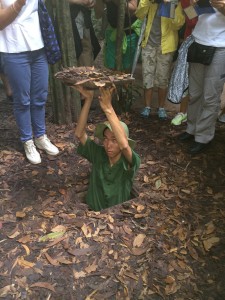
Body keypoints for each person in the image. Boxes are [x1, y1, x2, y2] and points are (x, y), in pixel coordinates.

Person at [0, 0, 59, 164]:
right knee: (22, 100)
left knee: (40, 96)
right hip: (13, 49)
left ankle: (40, 136)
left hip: (38, 46)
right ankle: (27, 141)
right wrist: (18, 3)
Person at [74, 85, 141, 211]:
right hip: (90, 216)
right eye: (105, 139)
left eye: (114, 140)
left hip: (117, 219)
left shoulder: (130, 162)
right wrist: (88, 99)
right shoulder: (98, 154)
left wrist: (108, 108)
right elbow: (79, 134)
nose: (108, 145)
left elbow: (125, 146)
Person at [178, 0, 225, 154]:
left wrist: (222, 7)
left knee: (210, 96)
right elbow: (192, 16)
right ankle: (191, 129)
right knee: (195, 93)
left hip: (220, 47)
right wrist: (193, 4)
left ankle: (203, 137)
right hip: (198, 42)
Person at [136, 0, 185, 120]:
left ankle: (161, 108)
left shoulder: (174, 3)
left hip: (166, 46)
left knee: (162, 78)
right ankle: (147, 107)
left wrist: (170, 6)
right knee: (147, 76)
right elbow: (139, 14)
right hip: (148, 44)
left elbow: (178, 24)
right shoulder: (150, 2)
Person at [171, 0, 198, 126]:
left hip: (209, 45)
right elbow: (192, 21)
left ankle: (194, 114)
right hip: (190, 44)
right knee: (185, 78)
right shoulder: (186, 1)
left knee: (199, 82)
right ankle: (182, 113)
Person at [95, 0, 139, 71]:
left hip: (130, 31)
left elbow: (133, 8)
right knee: (111, 66)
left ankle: (126, 81)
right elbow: (98, 14)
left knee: (127, 67)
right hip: (113, 32)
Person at [69, 0, 101, 67]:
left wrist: (92, 2)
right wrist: (80, 1)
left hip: (85, 18)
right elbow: (54, 2)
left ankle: (86, 74)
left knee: (86, 48)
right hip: (68, 20)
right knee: (77, 50)